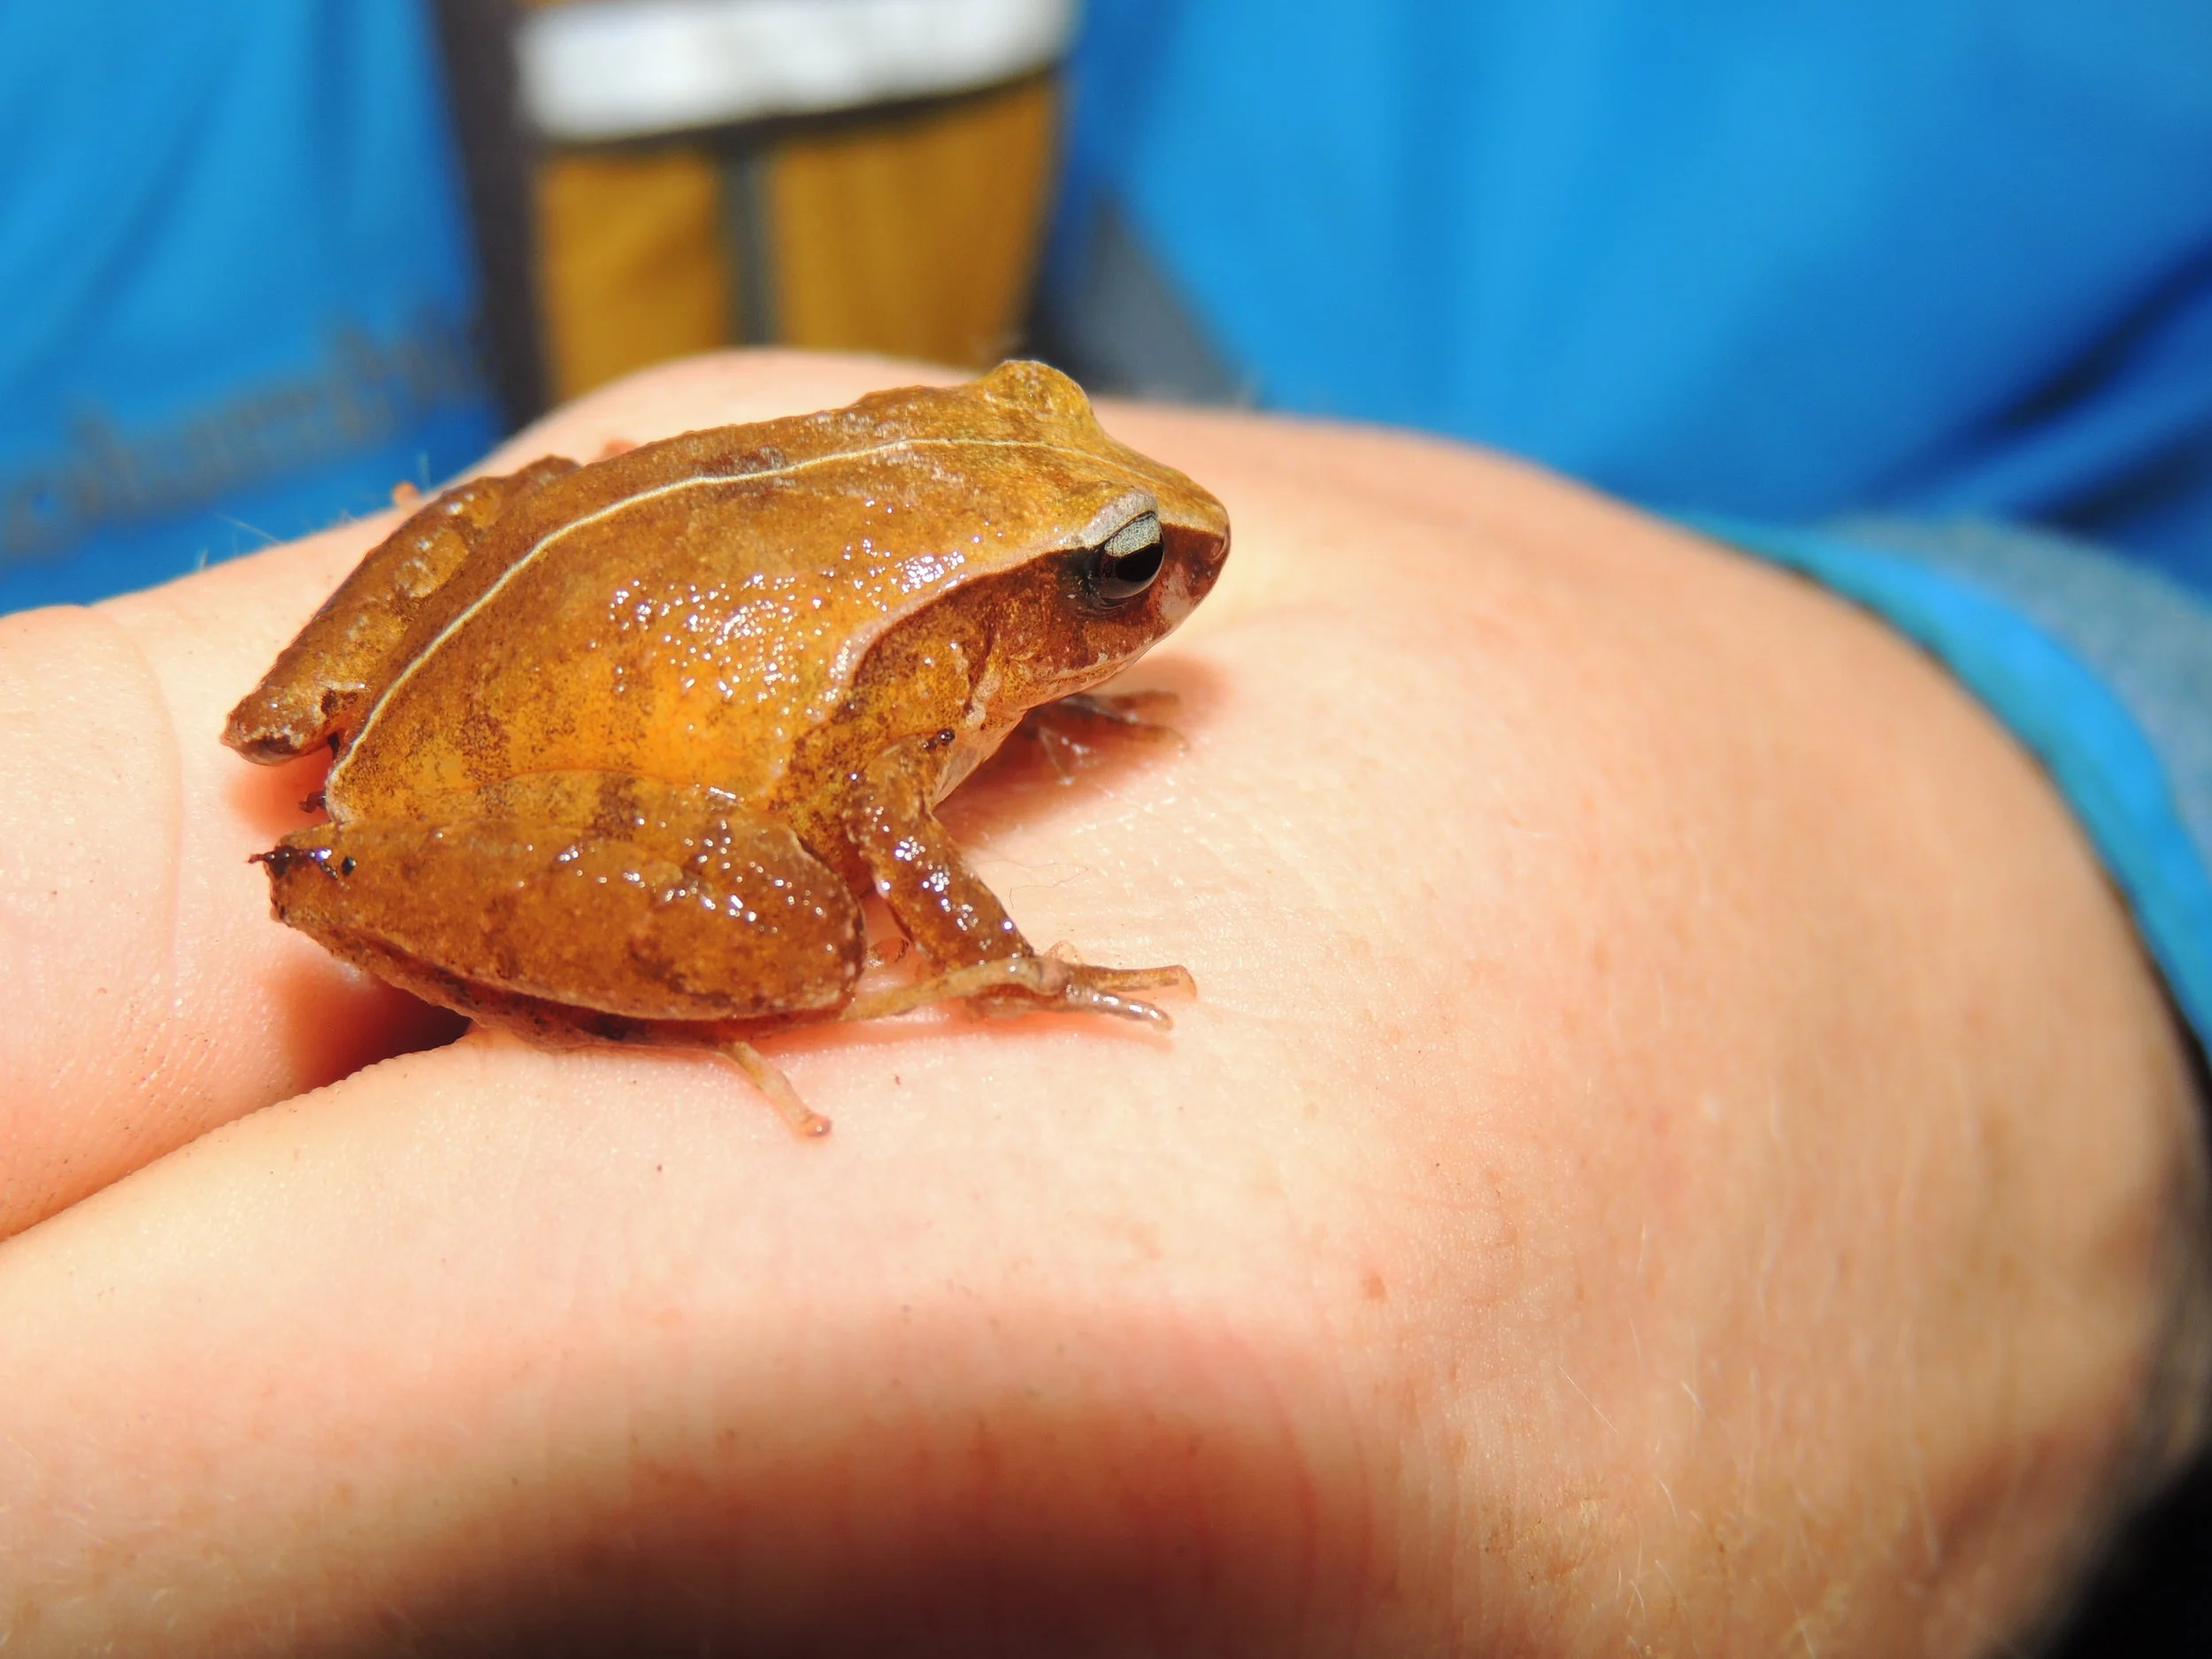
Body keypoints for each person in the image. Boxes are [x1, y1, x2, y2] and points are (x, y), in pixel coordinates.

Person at [0, 350, 2202, 1654]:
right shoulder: (934, 680)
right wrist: (1005, 960)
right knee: (814, 927)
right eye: (1115, 577)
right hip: (563, 768)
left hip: (511, 618)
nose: (1162, 575)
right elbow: (854, 819)